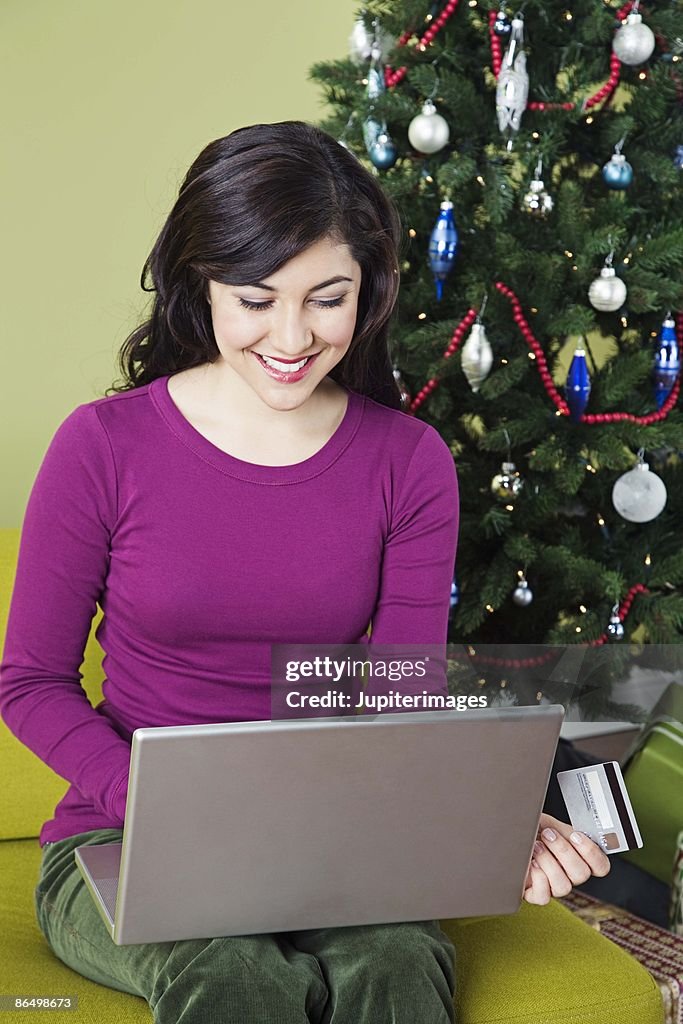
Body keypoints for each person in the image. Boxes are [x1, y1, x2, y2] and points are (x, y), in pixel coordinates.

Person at [0, 121, 609, 1024]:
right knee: (234, 973)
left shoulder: (406, 462)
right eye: (254, 299)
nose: (291, 337)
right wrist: (161, 805)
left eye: (327, 299)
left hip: (337, 846)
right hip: (127, 840)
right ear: (198, 285)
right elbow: (30, 682)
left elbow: (399, 696)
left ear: (367, 294)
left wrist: (489, 820)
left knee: (398, 959)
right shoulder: (103, 447)